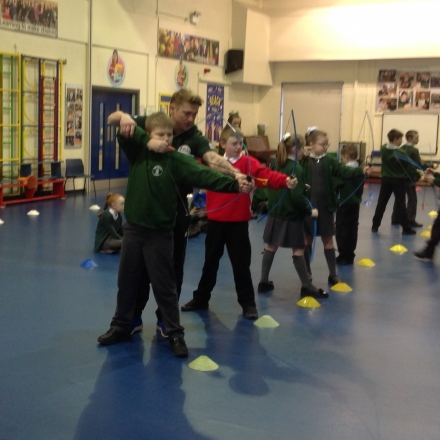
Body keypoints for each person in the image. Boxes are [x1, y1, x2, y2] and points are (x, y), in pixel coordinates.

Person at [96, 113, 251, 358]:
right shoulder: (138, 151)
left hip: (160, 234)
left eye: (169, 135)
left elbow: (204, 174)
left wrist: (235, 183)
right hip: (133, 231)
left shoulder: (176, 159)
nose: (166, 139)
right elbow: (117, 122)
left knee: (165, 287)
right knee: (126, 282)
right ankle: (121, 326)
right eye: (160, 135)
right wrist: (138, 132)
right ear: (149, 135)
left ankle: (174, 332)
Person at [116, 89, 243, 325]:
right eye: (186, 113)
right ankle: (133, 319)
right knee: (138, 271)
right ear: (172, 109)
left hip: (176, 213)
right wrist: (125, 117)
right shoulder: (153, 123)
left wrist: (234, 173)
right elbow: (117, 122)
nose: (191, 119)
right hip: (146, 213)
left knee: (172, 270)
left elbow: (211, 158)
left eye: (194, 114)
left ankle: (166, 322)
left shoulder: (194, 136)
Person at [181, 125, 298, 319]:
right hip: (215, 223)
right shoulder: (212, 163)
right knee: (210, 264)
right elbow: (192, 167)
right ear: (223, 144)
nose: (238, 147)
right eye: (234, 143)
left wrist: (285, 181)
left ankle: (248, 304)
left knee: (241, 266)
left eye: (240, 144)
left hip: (238, 224)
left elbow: (266, 176)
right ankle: (200, 299)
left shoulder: (249, 163)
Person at [258, 133, 326, 299]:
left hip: (276, 212)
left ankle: (263, 281)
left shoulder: (277, 163)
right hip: (291, 214)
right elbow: (296, 197)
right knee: (299, 250)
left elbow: (281, 185)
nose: (304, 152)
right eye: (302, 148)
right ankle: (307, 286)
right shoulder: (297, 168)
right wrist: (310, 211)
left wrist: (302, 186)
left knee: (271, 246)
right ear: (294, 149)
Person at [303, 129, 368, 286]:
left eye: (327, 144)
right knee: (307, 240)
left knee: (328, 241)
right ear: (311, 145)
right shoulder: (303, 161)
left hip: (325, 206)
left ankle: (333, 274)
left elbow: (343, 171)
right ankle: (307, 273)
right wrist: (302, 155)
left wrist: (360, 170)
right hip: (308, 206)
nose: (325, 147)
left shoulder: (330, 161)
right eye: (322, 144)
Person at [372, 129, 417, 236]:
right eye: (400, 139)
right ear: (396, 139)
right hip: (398, 181)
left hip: (386, 180)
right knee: (401, 204)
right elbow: (408, 166)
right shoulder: (401, 152)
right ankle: (406, 228)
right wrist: (418, 174)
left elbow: (386, 146)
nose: (401, 141)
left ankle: (375, 225)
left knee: (381, 203)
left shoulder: (384, 148)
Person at [334, 144, 364, 266]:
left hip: (344, 204)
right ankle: (350, 254)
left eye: (342, 157)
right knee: (352, 229)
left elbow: (336, 184)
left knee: (341, 229)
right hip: (355, 204)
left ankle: (343, 255)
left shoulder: (344, 171)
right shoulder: (360, 170)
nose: (341, 160)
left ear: (346, 156)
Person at [391, 130, 425, 228]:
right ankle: (410, 219)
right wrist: (430, 166)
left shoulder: (401, 149)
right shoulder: (414, 150)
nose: (418, 140)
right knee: (412, 199)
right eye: (416, 138)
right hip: (410, 177)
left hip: (400, 177)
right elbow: (418, 164)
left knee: (399, 199)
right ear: (409, 138)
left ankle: (395, 218)